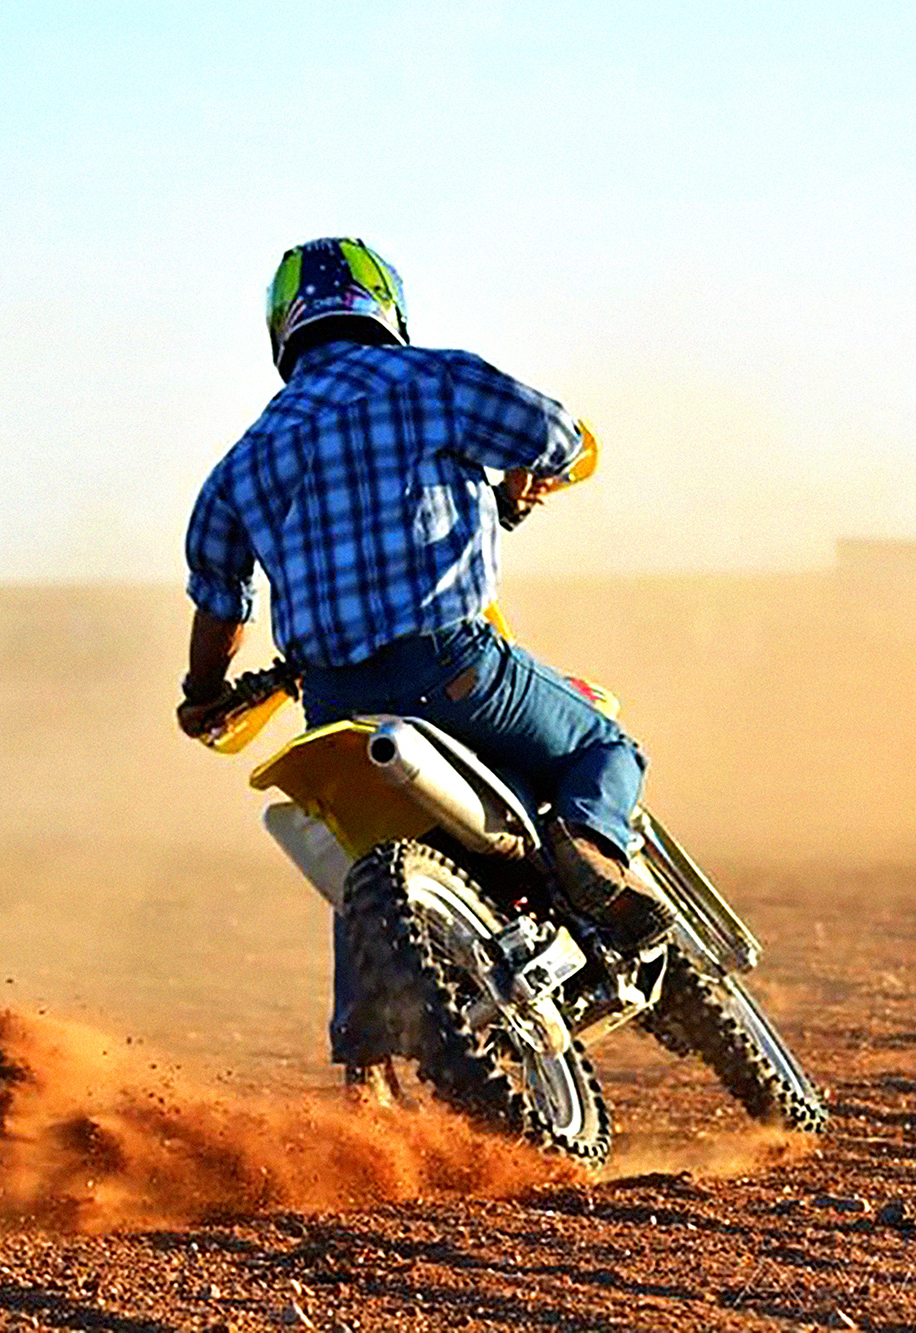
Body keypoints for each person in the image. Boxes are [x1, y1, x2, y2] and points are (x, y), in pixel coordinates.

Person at [178, 236, 672, 1082]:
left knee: (368, 853)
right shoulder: (435, 380)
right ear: (384, 306)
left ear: (284, 330)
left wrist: (205, 690)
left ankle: (362, 1071)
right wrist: (532, 474)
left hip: (333, 709)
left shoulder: (242, 462)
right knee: (605, 748)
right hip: (454, 667)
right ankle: (589, 844)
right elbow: (556, 436)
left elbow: (220, 598)